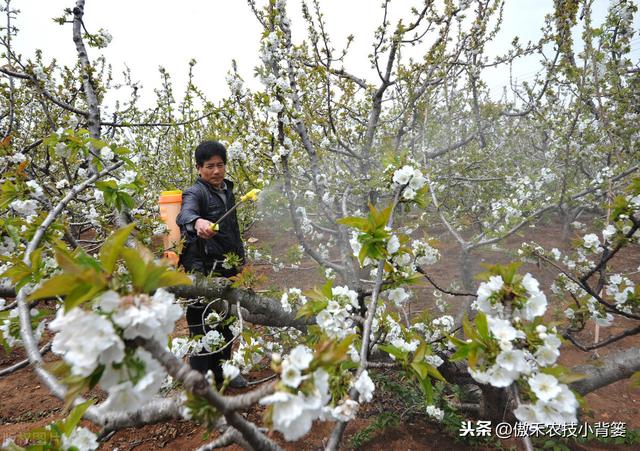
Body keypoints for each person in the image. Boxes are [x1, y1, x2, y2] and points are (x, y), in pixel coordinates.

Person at [176, 140, 247, 388]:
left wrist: (239, 258)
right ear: (198, 168)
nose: (216, 171)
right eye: (209, 166)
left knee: (225, 321)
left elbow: (232, 229)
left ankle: (224, 371)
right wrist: (197, 222)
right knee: (201, 322)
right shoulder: (195, 192)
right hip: (202, 269)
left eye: (220, 165)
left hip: (223, 266)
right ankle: (198, 380)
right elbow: (185, 214)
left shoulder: (227, 190)